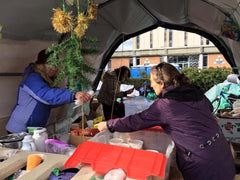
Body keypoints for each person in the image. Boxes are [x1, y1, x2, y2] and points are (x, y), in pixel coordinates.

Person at [96, 62, 235, 180]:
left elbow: (136, 121)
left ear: (161, 83)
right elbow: (204, 111)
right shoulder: (195, 92)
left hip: (202, 165)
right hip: (223, 154)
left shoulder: (166, 104)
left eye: (152, 82)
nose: (151, 85)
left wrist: (109, 124)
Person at [6, 49, 92, 134]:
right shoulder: (33, 78)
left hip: (33, 128)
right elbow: (46, 95)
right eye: (49, 64)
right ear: (41, 65)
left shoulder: (46, 80)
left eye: (55, 65)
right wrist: (72, 95)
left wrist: (74, 99)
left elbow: (52, 100)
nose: (53, 68)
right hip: (20, 129)